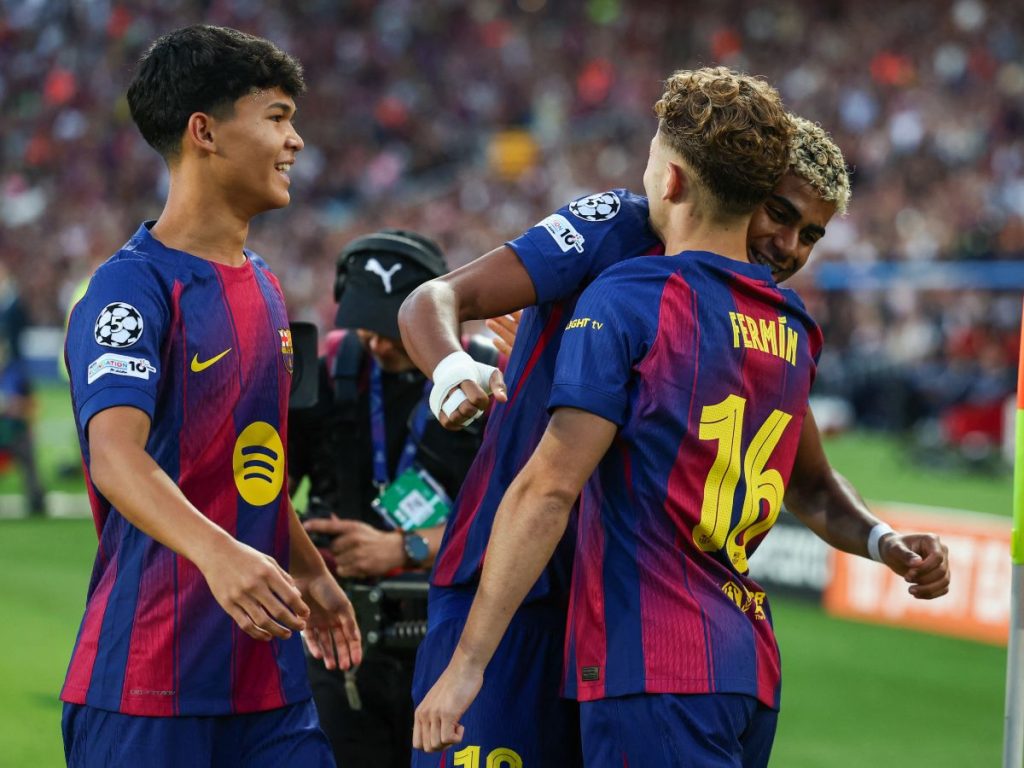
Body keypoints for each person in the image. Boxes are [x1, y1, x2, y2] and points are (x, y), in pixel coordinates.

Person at [401, 83, 951, 761]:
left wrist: (882, 540)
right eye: (778, 214)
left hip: (622, 624)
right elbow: (436, 297)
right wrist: (459, 372)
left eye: (810, 234)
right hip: (516, 589)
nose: (786, 245)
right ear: (737, 186)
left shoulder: (764, 317)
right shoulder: (617, 234)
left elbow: (806, 480)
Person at [60, 25, 360, 768]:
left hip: (270, 683)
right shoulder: (129, 290)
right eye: (277, 116)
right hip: (148, 688)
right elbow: (115, 458)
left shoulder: (262, 284)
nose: (295, 141)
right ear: (204, 132)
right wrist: (221, 557)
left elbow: (252, 465)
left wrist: (312, 572)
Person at [288, 229, 499, 768]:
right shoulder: (328, 368)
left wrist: (405, 548)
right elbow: (268, 493)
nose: (378, 342)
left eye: (392, 330)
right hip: (340, 631)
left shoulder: (487, 380)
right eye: (367, 326)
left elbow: (522, 516)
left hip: (452, 633)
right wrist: (308, 558)